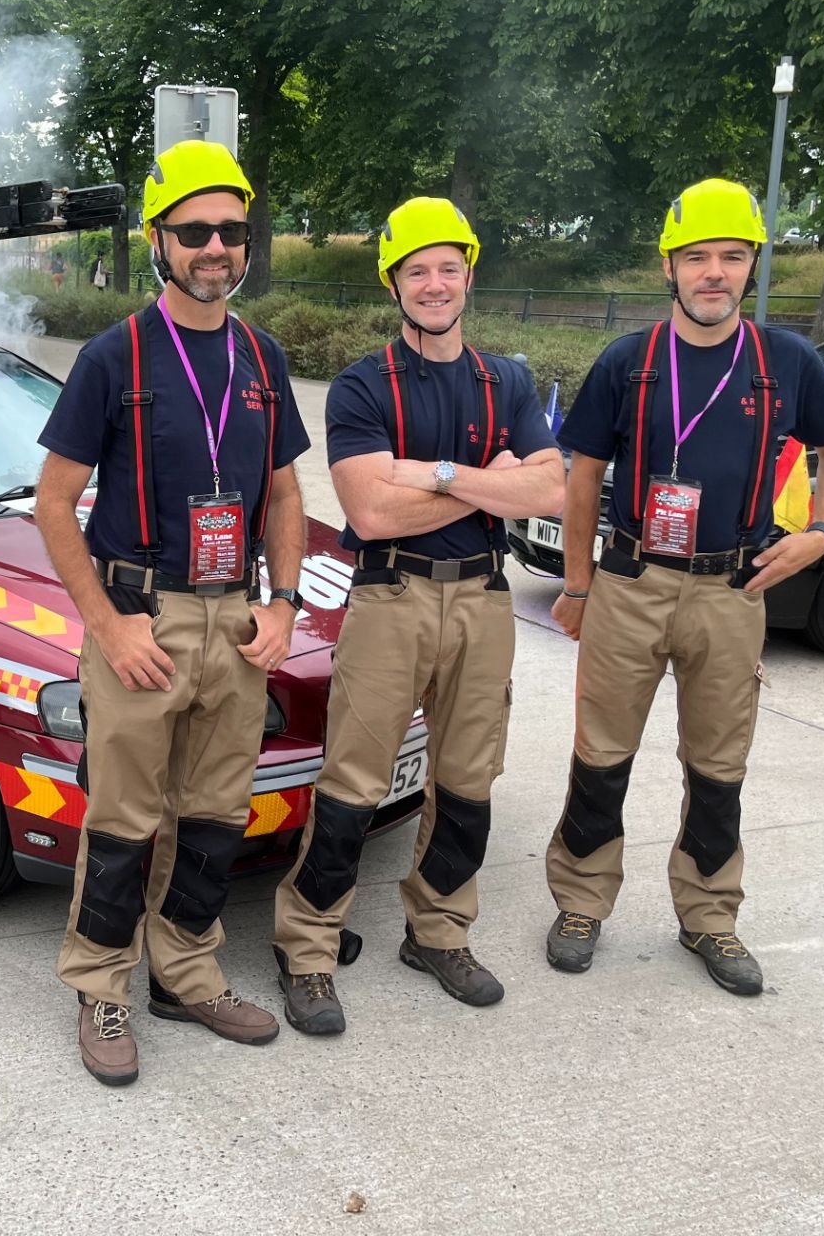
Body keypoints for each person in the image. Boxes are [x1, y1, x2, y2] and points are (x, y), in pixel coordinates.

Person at [35, 139, 311, 1085]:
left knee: (214, 816)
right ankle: (101, 983)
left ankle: (186, 974)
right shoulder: (115, 356)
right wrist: (109, 627)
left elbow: (282, 495)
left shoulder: (264, 359)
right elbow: (52, 502)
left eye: (232, 233)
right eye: (195, 231)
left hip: (235, 623)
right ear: (158, 238)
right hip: (141, 622)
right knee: (121, 819)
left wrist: (283, 606)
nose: (215, 248)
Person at [544, 178, 824, 994]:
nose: (713, 272)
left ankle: (710, 918)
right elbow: (584, 478)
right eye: (696, 257)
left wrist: (822, 533)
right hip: (633, 582)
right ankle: (581, 902)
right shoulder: (628, 361)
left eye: (730, 256)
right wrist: (576, 585)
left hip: (731, 590)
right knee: (600, 755)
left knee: (719, 765)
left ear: (751, 264)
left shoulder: (785, 360)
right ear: (669, 268)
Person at [270, 198, 565, 1031]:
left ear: (470, 274)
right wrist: (479, 475)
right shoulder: (366, 384)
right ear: (393, 283)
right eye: (416, 271)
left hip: (482, 597)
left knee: (469, 782)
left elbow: (549, 487)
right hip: (390, 597)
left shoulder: (504, 378)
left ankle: (438, 933)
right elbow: (369, 515)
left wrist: (429, 474)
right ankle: (309, 948)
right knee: (354, 785)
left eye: (447, 268)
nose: (433, 285)